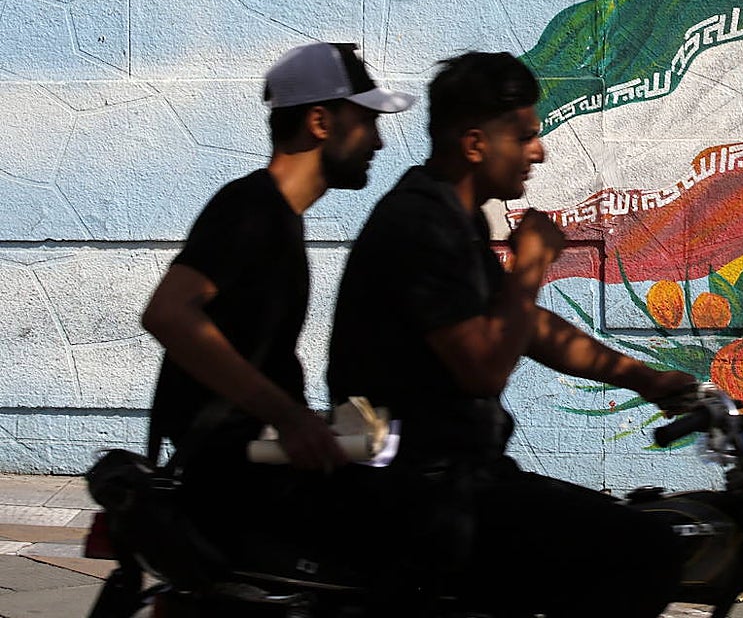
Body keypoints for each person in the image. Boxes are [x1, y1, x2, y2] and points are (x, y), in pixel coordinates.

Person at [328, 51, 695, 618]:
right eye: (524, 137)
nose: (538, 151)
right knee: (647, 550)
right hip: (422, 492)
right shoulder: (420, 224)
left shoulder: (456, 216)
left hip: (453, 479)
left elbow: (522, 326)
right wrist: (531, 266)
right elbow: (481, 366)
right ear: (475, 144)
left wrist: (642, 378)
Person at [142, 42, 411, 590]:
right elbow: (168, 313)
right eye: (365, 122)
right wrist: (288, 417)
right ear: (319, 121)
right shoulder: (250, 209)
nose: (378, 142)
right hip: (237, 466)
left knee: (402, 442)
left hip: (256, 446)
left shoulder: (279, 220)